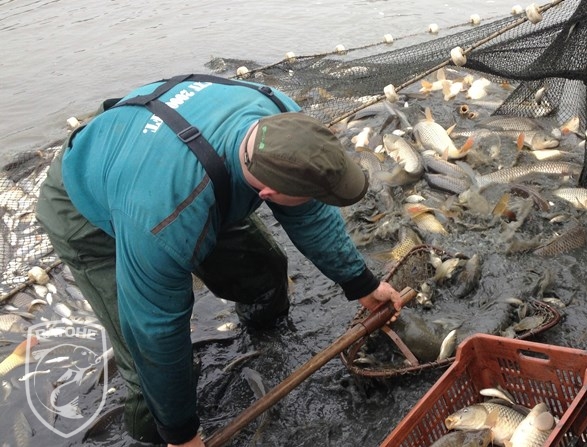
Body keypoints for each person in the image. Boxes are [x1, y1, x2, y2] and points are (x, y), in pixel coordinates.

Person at [35, 74, 404, 447]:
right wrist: (182, 434)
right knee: (146, 364)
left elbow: (310, 214)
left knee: (264, 274)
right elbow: (156, 330)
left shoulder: (281, 116)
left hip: (171, 166)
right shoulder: (168, 216)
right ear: (268, 193)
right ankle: (153, 435)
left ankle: (266, 333)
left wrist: (361, 284)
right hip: (87, 207)